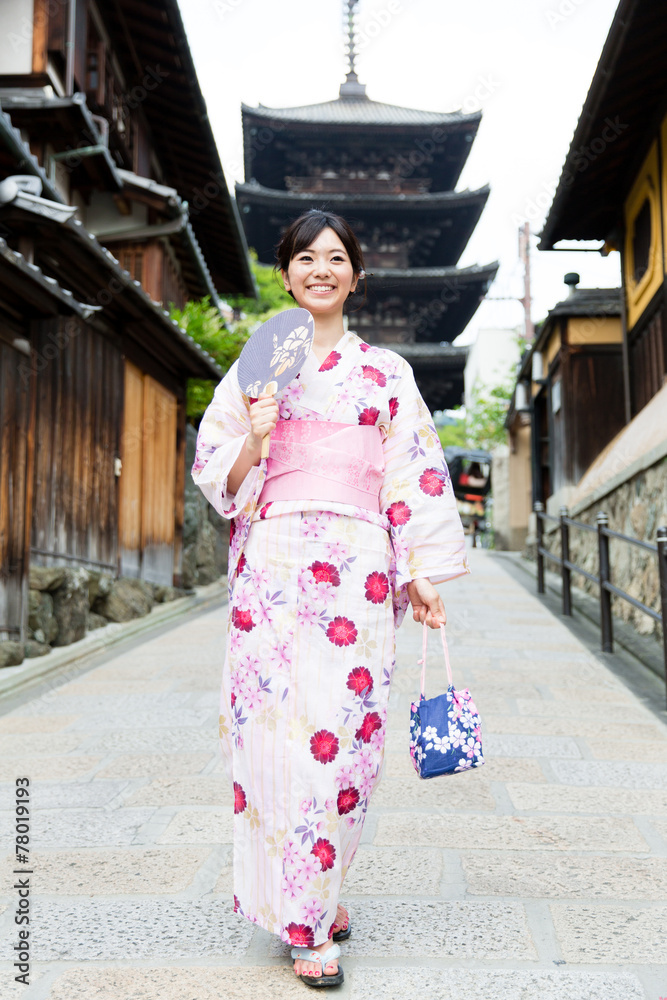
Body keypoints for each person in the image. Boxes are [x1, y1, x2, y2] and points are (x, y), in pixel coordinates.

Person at [192, 209, 468, 987]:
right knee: (276, 737)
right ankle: (305, 919)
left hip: (357, 566)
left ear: (356, 276)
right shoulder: (256, 367)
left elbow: (411, 472)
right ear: (285, 275)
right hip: (275, 569)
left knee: (347, 739)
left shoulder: (385, 373)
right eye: (305, 258)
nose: (321, 269)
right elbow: (219, 476)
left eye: (336, 258)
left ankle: (318, 883)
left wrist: (420, 573)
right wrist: (256, 436)